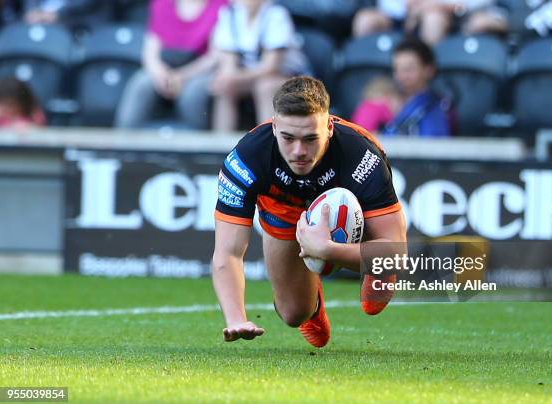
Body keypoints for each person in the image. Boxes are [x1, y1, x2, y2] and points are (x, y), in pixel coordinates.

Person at [212, 76, 406, 348]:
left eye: (310, 138)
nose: (299, 151)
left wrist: (326, 250)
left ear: (328, 127)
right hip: (284, 206)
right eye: (288, 138)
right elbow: (227, 253)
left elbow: (397, 254)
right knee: (293, 313)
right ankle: (313, 306)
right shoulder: (247, 158)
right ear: (274, 126)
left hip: (351, 207)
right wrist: (235, 318)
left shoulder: (360, 153)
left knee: (384, 265)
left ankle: (372, 271)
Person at [115, 0, 227, 129]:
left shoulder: (220, 5)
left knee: (193, 94)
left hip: (200, 71)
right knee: (141, 83)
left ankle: (198, 146)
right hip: (165, 68)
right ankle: (123, 143)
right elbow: (150, 51)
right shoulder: (161, 3)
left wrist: (182, 76)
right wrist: (159, 72)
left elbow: (215, 56)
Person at [210, 0, 311, 131]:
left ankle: (268, 143)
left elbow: (270, 67)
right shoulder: (229, 14)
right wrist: (226, 78)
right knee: (226, 87)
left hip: (289, 77)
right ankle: (223, 144)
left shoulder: (277, 15)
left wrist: (233, 77)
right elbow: (229, 63)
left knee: (265, 87)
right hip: (250, 77)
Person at [382, 38, 452, 137]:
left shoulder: (437, 107)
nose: (401, 76)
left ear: (429, 70)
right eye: (397, 69)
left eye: (408, 69)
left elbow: (433, 146)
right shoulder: (389, 103)